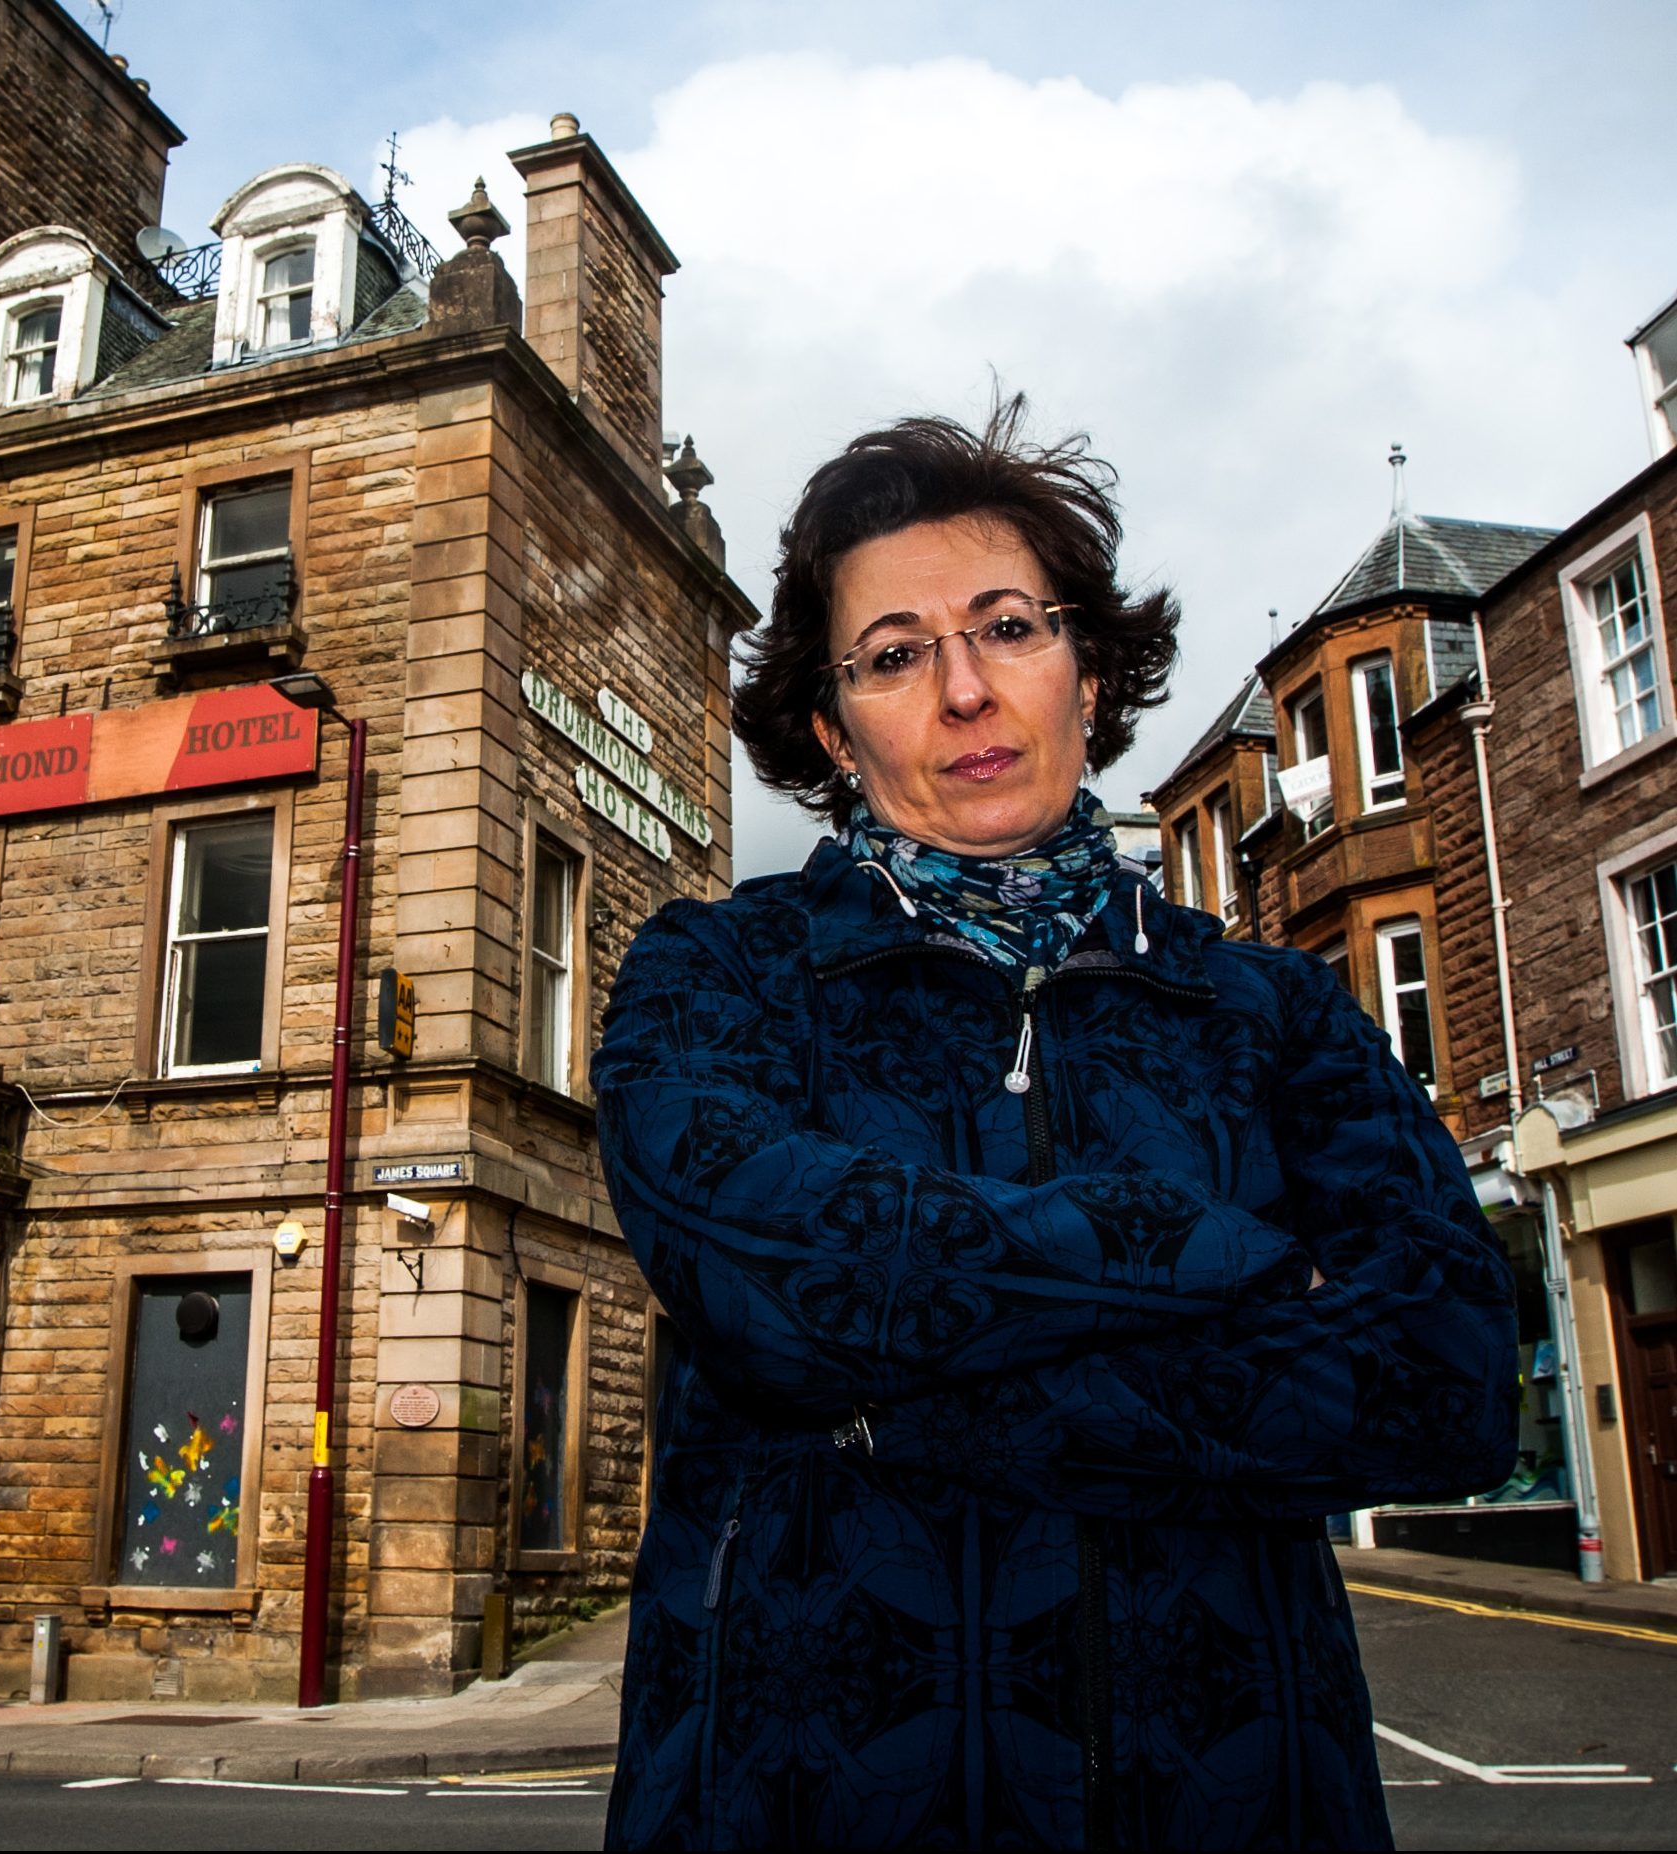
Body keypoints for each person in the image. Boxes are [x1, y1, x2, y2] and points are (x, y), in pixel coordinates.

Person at [594, 402, 1517, 1849]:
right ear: (835, 730)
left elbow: (1447, 1374)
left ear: (1088, 670)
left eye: (1009, 627)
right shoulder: (720, 972)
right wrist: (1215, 1258)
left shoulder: (1268, 1010)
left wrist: (889, 1404)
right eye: (895, 654)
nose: (964, 690)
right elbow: (768, 1283)